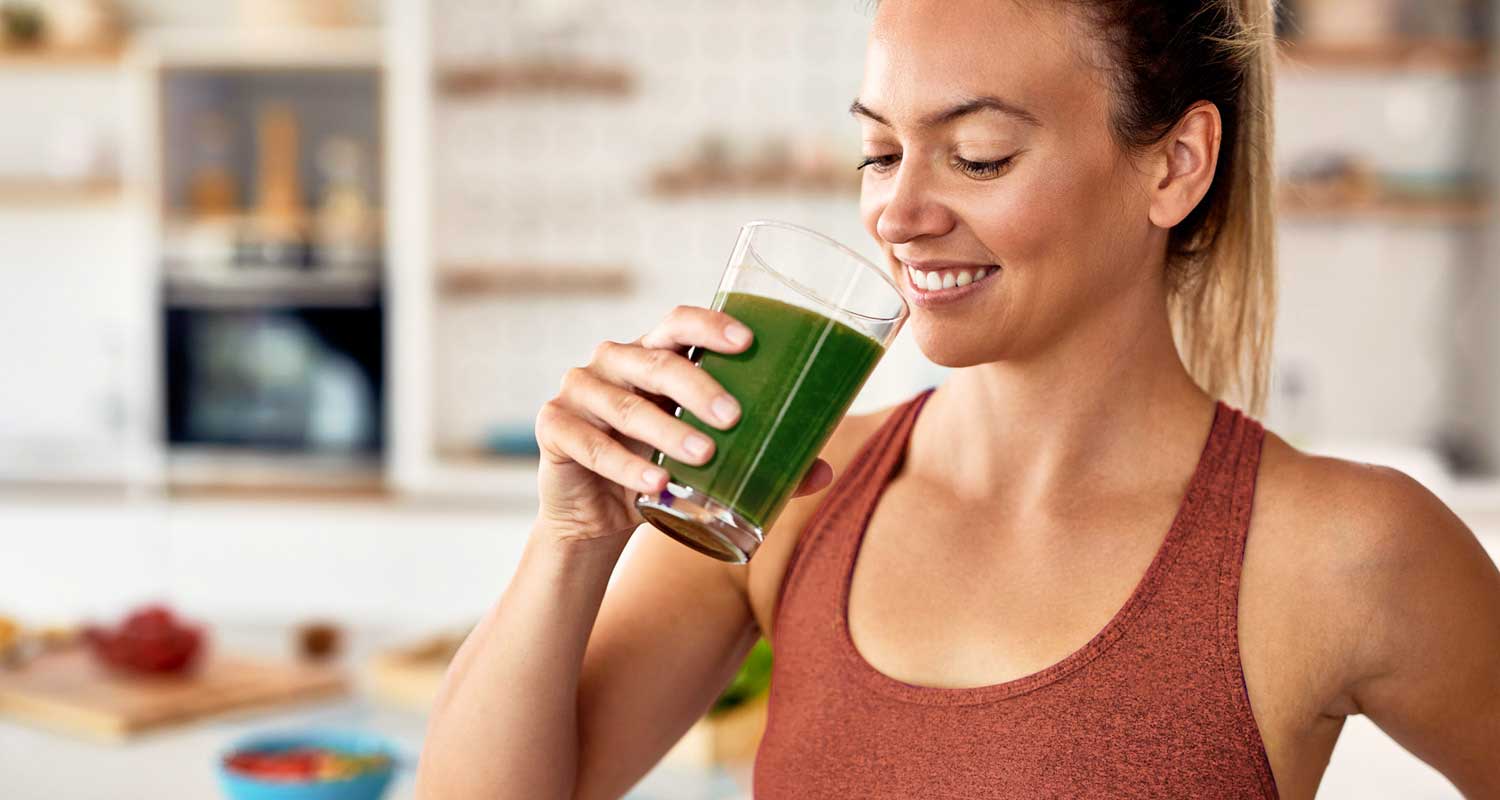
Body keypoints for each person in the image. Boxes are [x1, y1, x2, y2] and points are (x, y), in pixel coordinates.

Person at [415, 0, 1500, 797]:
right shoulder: (785, 494)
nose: (896, 211)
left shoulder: (1346, 550)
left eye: (978, 157)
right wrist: (571, 537)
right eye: (880, 151)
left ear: (1175, 164)